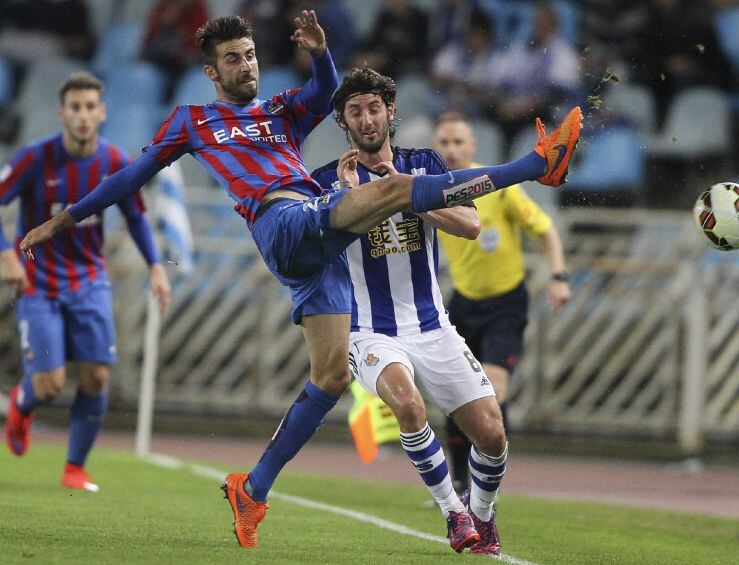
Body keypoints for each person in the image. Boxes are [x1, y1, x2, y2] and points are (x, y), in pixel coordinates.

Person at [18, 13, 582, 549]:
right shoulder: (193, 121)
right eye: (233, 60)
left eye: (252, 55)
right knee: (396, 188)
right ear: (212, 72)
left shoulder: (283, 112)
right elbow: (128, 177)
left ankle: (252, 489)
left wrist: (320, 53)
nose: (247, 66)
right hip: (282, 222)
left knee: (330, 376)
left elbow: (326, 95)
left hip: (320, 252)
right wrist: (67, 218)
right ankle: (536, 167)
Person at [312, 67, 508, 555]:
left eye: (374, 107)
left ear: (390, 111)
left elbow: (469, 224)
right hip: (368, 331)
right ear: (343, 122)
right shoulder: (324, 182)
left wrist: (405, 190)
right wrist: (346, 198)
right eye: (354, 111)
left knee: (492, 435)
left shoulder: (424, 164)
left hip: (432, 325)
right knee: (408, 403)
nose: (366, 118)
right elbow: (311, 252)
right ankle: (452, 513)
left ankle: (482, 517)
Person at [1, 71, 171, 491]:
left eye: (90, 107)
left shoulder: (114, 162)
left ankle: (75, 468)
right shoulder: (33, 158)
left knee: (96, 377)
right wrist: (8, 255)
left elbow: (135, 217)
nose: (82, 115)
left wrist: (155, 265)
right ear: (62, 112)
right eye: (75, 107)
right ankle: (23, 404)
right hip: (37, 284)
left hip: (90, 281)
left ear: (102, 113)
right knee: (50, 384)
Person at [432, 112, 572, 494]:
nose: (452, 149)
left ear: (473, 146)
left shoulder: (496, 186)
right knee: (457, 396)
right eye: (444, 142)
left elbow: (545, 229)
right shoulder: (432, 189)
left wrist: (558, 278)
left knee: (492, 389)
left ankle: (489, 481)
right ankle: (460, 482)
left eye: (459, 142)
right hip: (463, 303)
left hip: (507, 302)